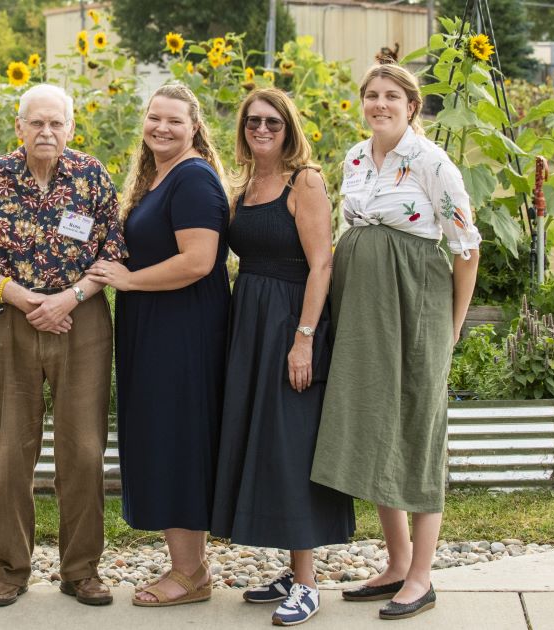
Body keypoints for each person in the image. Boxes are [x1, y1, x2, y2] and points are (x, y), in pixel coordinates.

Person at [311, 60, 481, 621]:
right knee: (376, 422)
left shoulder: (432, 161)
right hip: (363, 308)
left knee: (417, 428)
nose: (379, 104)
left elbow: (466, 247)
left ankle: (423, 577)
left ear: (412, 107)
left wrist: (452, 326)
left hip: (417, 308)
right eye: (371, 95)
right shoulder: (355, 158)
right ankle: (396, 562)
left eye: (391, 96)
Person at [0, 83, 126, 608]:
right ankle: (9, 567)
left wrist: (69, 298)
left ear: (71, 128)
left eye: (56, 123)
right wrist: (27, 299)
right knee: (12, 452)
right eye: (36, 123)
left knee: (84, 449)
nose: (46, 132)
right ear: (19, 127)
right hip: (9, 320)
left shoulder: (92, 176)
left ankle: (81, 569)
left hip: (82, 322)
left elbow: (113, 251)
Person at [209, 88, 356, 626]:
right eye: (252, 121)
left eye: (272, 121)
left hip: (291, 320)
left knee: (293, 444)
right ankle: (291, 571)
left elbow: (322, 265)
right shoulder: (244, 185)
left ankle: (309, 583)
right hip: (250, 321)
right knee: (263, 440)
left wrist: (304, 338)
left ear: (289, 127)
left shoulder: (305, 181)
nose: (261, 129)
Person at [85, 84, 229, 608]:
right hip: (157, 325)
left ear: (194, 126)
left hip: (182, 330)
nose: (161, 128)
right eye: (154, 118)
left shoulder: (192, 178)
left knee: (177, 440)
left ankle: (190, 573)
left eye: (173, 120)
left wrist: (129, 280)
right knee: (164, 435)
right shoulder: (159, 176)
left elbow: (199, 261)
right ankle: (189, 565)